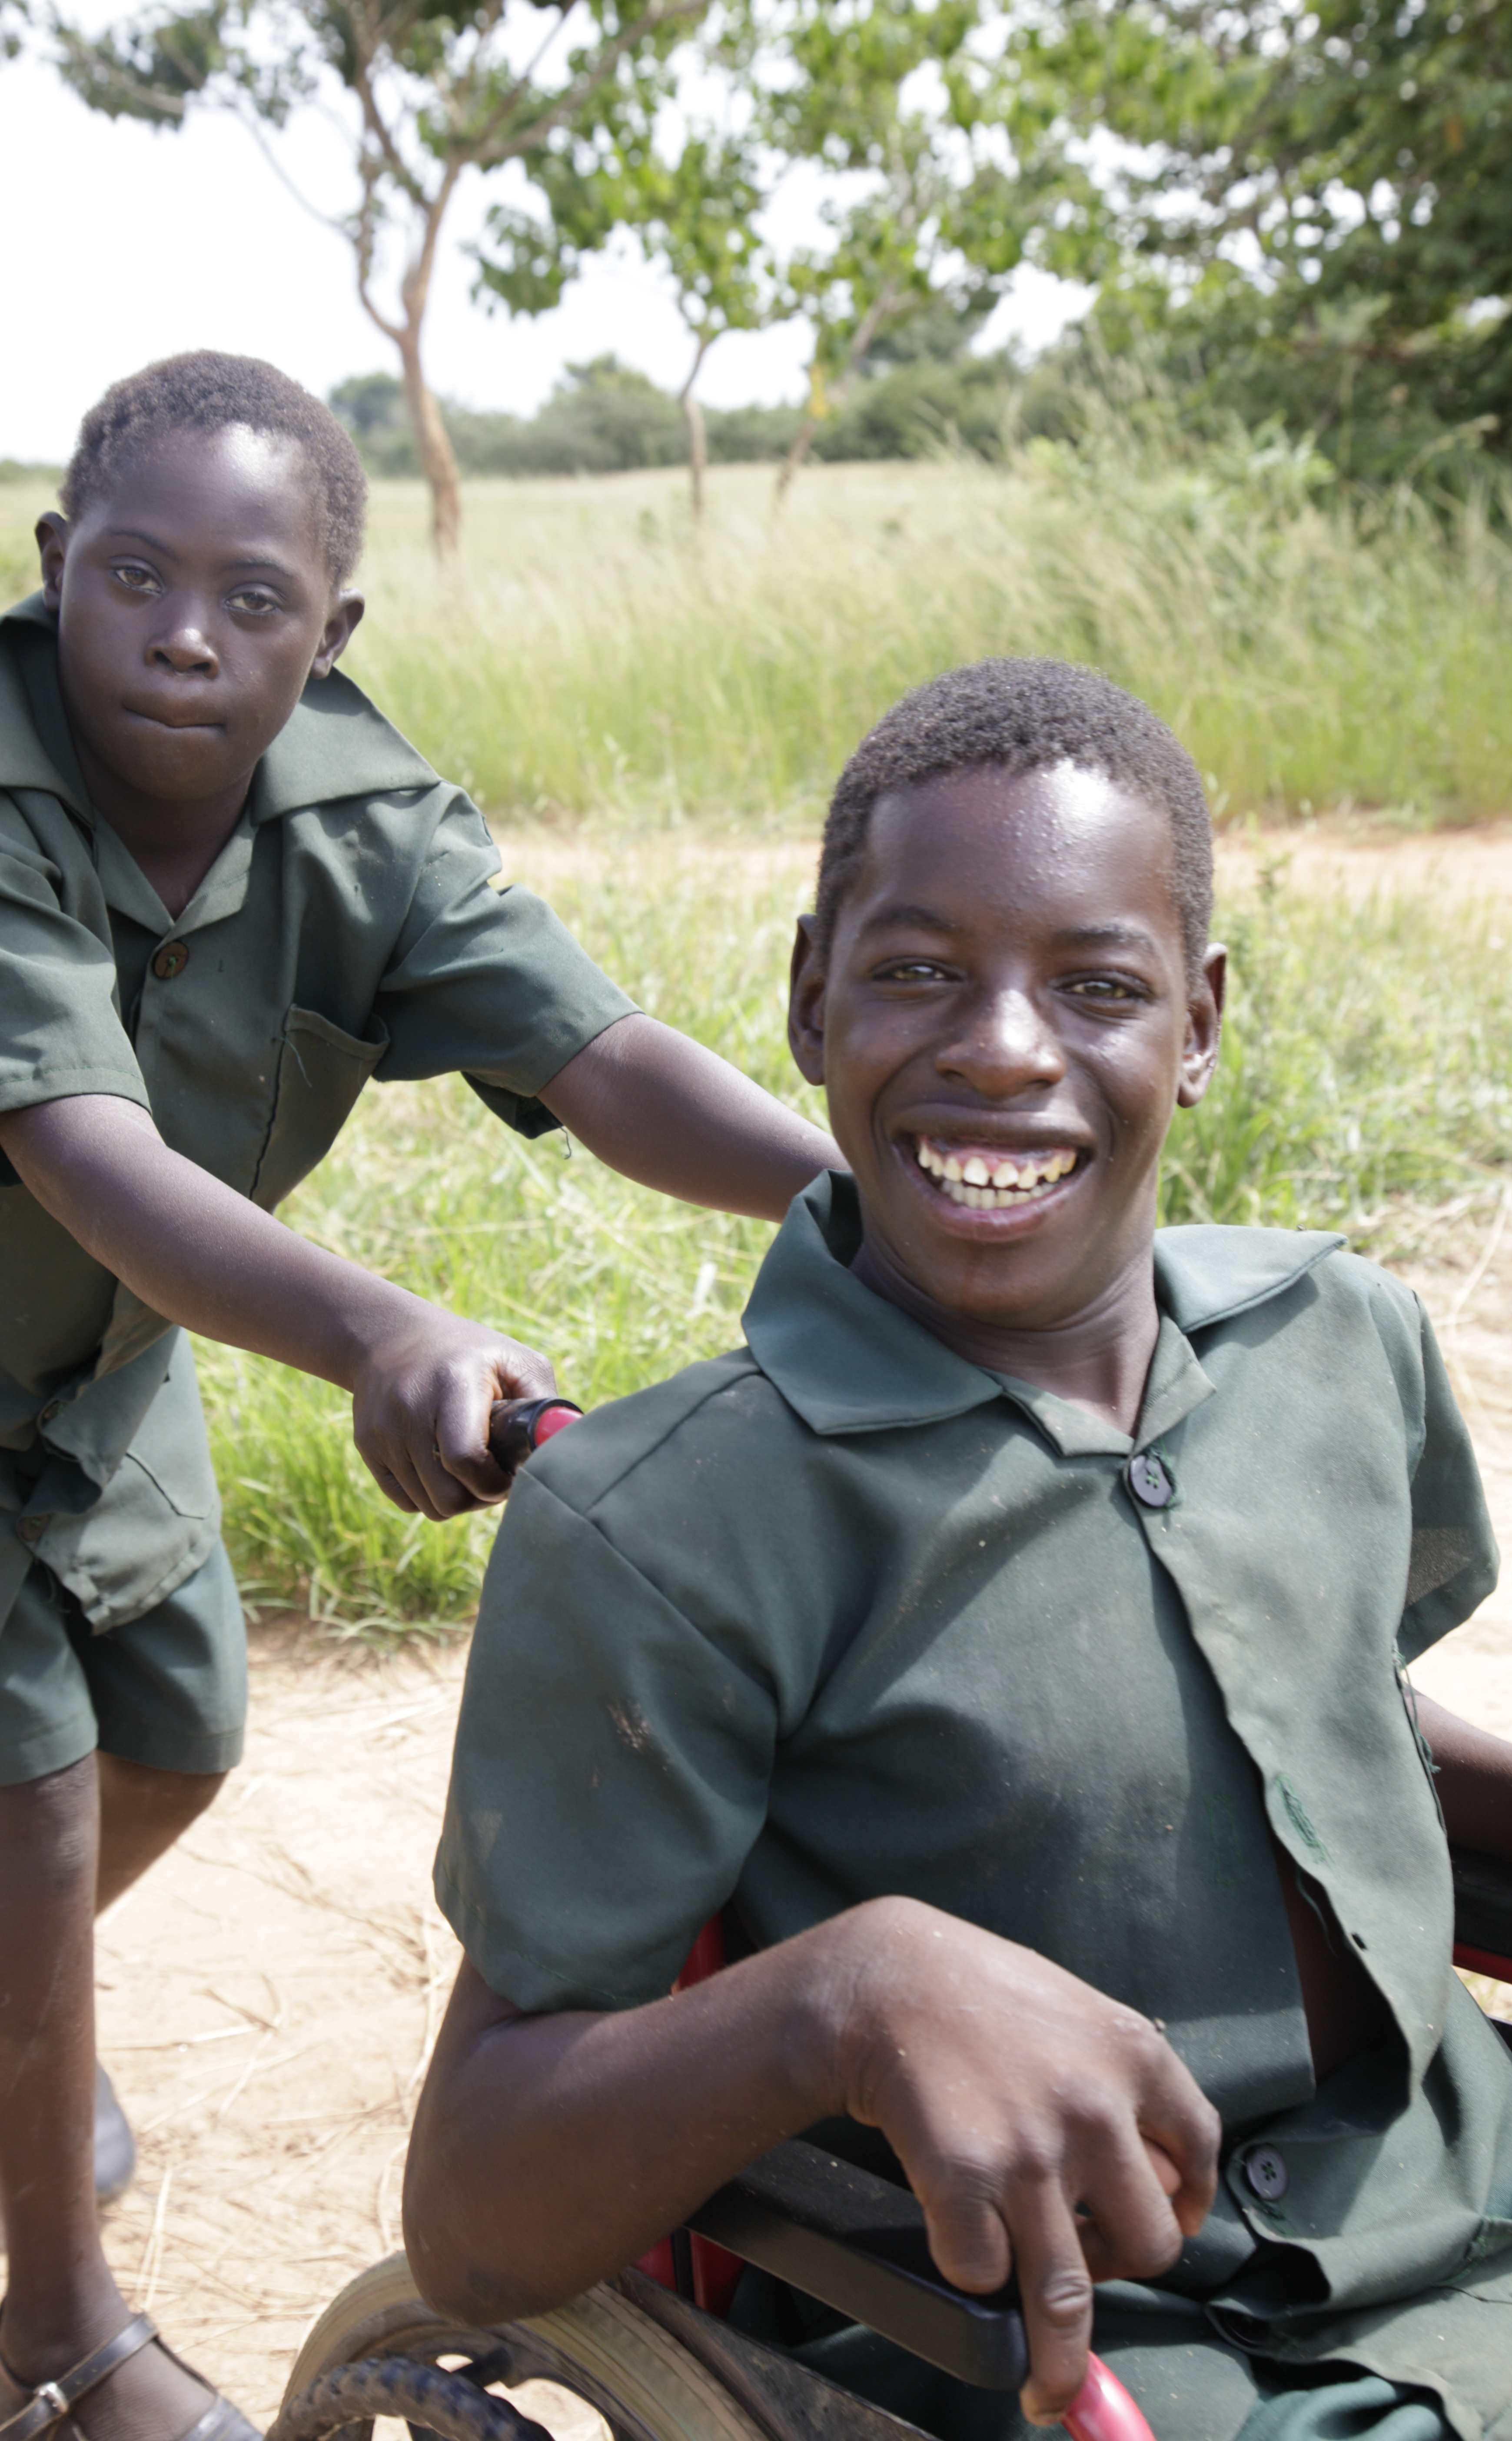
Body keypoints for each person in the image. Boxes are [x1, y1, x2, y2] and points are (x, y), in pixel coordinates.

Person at [405, 657, 1512, 2441]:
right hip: (1061, 2347)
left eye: (1098, 984)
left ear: (1199, 1025)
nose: (999, 1043)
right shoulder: (672, 1524)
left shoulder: (1341, 1348)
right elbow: (473, 2212)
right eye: (914, 971)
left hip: (1482, 2245)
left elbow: (1293, 1718)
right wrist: (837, 1995)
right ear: (811, 997)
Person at [0, 351, 839, 2441]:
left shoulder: (362, 824)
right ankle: (60, 2329)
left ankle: (20, 2012)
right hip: (75, 1288)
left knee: (176, 1742)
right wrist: (386, 1330)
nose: (188, 635)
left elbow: (604, 1061)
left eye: (254, 598)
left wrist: (880, 1203)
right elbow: (92, 1158)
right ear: (52, 568)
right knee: (22, 1809)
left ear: (334, 630)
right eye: (133, 576)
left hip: (89, 1384)